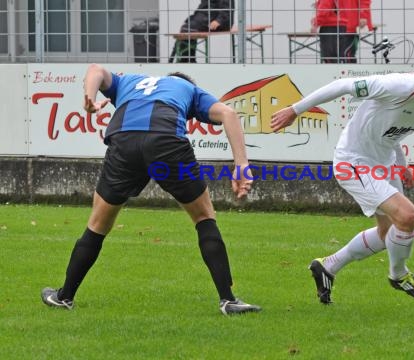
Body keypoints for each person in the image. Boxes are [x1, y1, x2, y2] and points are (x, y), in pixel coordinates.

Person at [41, 63, 261, 315]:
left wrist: (89, 98)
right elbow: (229, 114)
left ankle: (64, 296)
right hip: (165, 139)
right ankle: (228, 300)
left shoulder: (130, 81)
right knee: (203, 217)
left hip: (124, 141)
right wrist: (241, 165)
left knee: (98, 224)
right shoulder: (188, 88)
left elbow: (95, 70)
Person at [271, 62, 414, 304]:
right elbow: (343, 85)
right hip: (353, 161)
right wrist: (294, 110)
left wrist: (402, 167)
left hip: (384, 163)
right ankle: (399, 275)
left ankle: (327, 266)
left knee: (387, 234)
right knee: (407, 216)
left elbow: (394, 134)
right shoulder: (399, 86)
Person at [169, 0, 235, 63]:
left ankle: (186, 60)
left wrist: (219, 20)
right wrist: (193, 17)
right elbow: (204, 5)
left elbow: (227, 5)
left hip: (218, 20)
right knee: (188, 27)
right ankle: (188, 60)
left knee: (188, 28)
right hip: (210, 16)